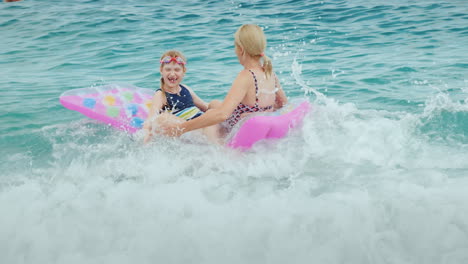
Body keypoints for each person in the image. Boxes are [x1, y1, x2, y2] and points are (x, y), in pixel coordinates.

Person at [159, 24, 288, 142]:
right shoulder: (269, 72)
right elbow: (282, 103)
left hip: (239, 130)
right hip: (252, 121)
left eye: (235, 47)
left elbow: (222, 115)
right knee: (215, 103)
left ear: (241, 50)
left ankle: (217, 148)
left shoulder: (246, 76)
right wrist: (263, 110)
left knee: (211, 115)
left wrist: (182, 127)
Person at [143, 50, 217, 143]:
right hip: (190, 129)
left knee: (215, 104)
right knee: (163, 117)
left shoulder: (185, 88)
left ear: (183, 72)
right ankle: (216, 146)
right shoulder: (161, 95)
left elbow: (204, 106)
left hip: (201, 122)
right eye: (168, 69)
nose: (172, 73)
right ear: (161, 70)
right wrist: (146, 134)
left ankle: (233, 117)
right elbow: (152, 118)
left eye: (177, 70)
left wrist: (217, 109)